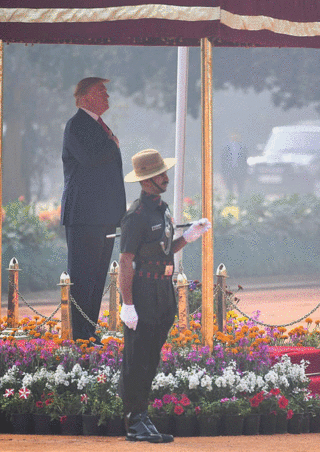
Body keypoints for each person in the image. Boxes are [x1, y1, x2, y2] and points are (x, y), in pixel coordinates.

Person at [117, 148, 211, 443]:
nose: (166, 178)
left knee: (152, 356)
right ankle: (134, 421)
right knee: (137, 357)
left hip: (163, 291)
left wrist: (190, 236)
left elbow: (165, 250)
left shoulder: (162, 209)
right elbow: (125, 262)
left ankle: (142, 417)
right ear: (146, 181)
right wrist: (128, 304)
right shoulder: (136, 216)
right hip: (143, 292)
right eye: (160, 175)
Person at [60, 77, 126, 343]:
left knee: (97, 278)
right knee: (83, 277)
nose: (107, 96)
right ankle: (79, 333)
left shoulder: (97, 125)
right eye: (102, 91)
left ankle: (88, 331)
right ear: (86, 98)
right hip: (84, 215)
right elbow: (90, 159)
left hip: (103, 215)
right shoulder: (76, 125)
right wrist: (112, 143)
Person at [220, 133, 248, 197]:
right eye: (233, 135)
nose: (235, 137)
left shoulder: (243, 147)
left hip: (240, 171)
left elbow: (245, 160)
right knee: (229, 187)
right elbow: (223, 160)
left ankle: (240, 201)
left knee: (240, 188)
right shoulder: (226, 147)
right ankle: (230, 201)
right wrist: (223, 172)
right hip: (229, 171)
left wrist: (245, 172)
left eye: (236, 135)